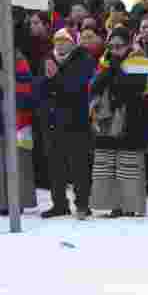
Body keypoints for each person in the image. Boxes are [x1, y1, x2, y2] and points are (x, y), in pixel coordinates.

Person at [88, 27, 148, 218]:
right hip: (107, 120)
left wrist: (114, 69)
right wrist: (112, 68)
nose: (115, 49)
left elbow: (133, 87)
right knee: (107, 163)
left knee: (129, 166)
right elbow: (94, 86)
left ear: (128, 45)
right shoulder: (105, 61)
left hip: (133, 119)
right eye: (112, 45)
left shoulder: (140, 59)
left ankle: (131, 206)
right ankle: (112, 205)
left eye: (119, 45)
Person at [41, 29, 97, 219]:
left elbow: (75, 87)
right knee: (55, 164)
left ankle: (82, 204)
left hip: (76, 119)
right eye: (56, 40)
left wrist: (55, 78)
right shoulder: (48, 59)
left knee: (79, 165)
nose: (59, 44)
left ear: (73, 42)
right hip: (52, 118)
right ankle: (59, 203)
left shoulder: (84, 60)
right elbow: (41, 86)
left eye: (64, 40)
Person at [0, 51, 40, 216]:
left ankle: (20, 199)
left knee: (20, 159)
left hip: (19, 118)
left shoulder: (18, 59)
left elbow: (25, 89)